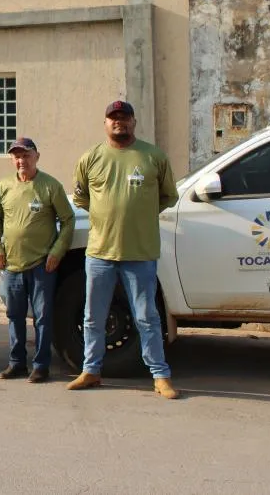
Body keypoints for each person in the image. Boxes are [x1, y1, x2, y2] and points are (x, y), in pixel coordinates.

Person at [67, 101, 180, 399]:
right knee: (93, 316)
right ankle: (91, 370)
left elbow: (168, 196)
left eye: (124, 117)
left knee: (147, 317)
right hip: (100, 252)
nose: (119, 122)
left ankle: (160, 375)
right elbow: (81, 197)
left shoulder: (153, 156)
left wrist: (138, 214)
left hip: (140, 253)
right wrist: (108, 214)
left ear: (133, 121)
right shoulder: (91, 157)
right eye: (113, 118)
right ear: (105, 123)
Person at [0, 138, 74, 383]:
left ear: (37, 156)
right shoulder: (5, 186)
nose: (21, 160)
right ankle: (17, 363)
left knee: (43, 317)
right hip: (11, 264)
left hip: (41, 264)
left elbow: (67, 220)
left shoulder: (50, 186)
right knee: (14, 315)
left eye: (26, 155)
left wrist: (57, 252)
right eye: (16, 156)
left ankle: (41, 365)